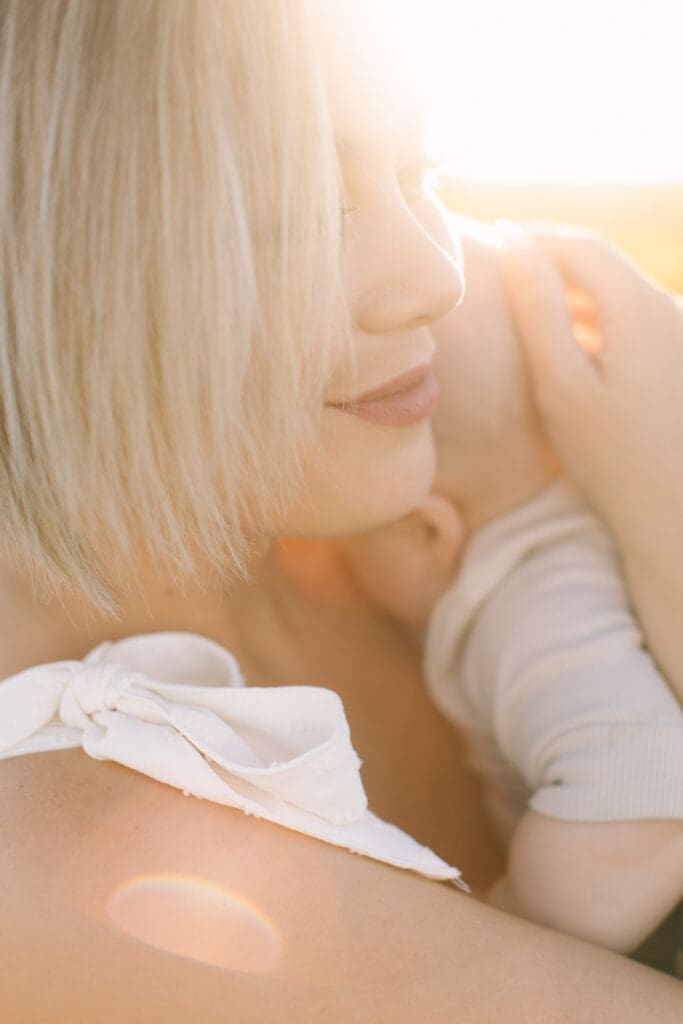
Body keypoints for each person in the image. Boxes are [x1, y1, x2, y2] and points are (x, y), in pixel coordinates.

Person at [1, 2, 682, 1021]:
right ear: (45, 259)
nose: (434, 275)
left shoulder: (405, 535)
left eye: (417, 174)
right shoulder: (58, 867)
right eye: (298, 213)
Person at [339, 217, 683, 954]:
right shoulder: (598, 525)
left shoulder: (521, 606)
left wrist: (512, 922)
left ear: (427, 530)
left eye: (349, 549)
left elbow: (643, 807)